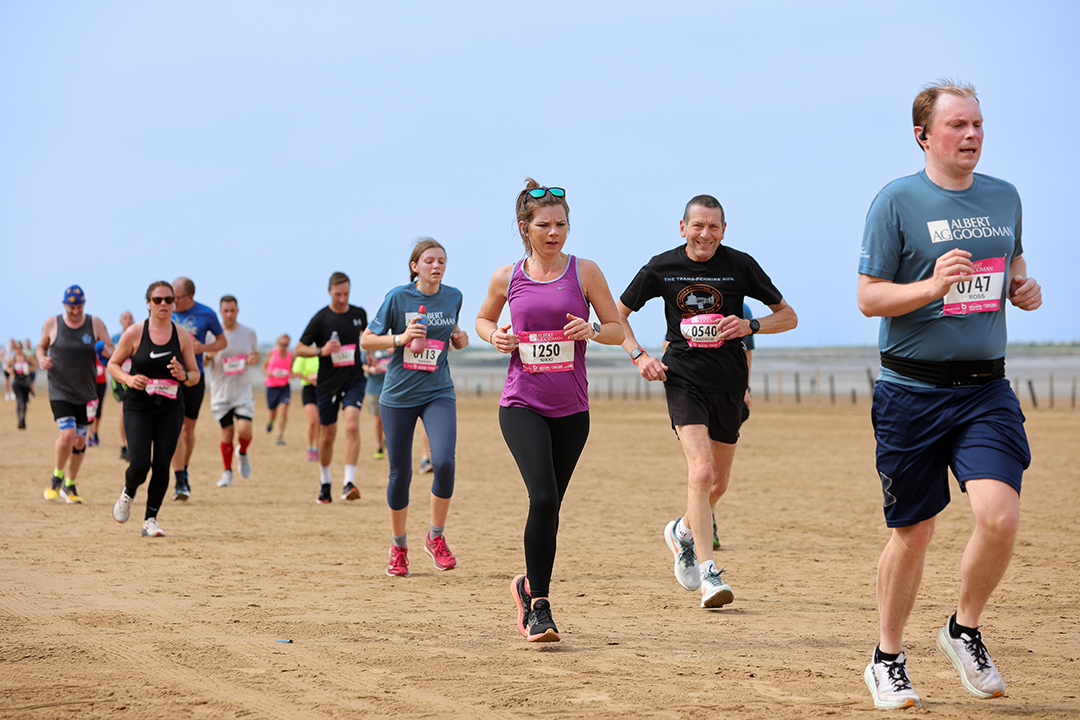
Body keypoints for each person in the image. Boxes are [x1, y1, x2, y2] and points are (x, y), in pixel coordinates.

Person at [857, 80, 1041, 710]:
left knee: (999, 516)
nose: (972, 136)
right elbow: (868, 297)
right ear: (924, 136)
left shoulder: (1005, 197)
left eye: (979, 125)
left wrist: (1023, 287)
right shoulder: (896, 201)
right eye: (959, 126)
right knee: (915, 529)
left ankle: (964, 628)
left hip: (986, 388)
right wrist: (931, 287)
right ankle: (887, 658)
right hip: (911, 392)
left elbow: (1011, 264)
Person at [617, 195, 797, 610]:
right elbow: (619, 314)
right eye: (697, 225)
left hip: (730, 384)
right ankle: (708, 573)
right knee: (700, 471)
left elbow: (788, 316)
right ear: (682, 228)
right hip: (682, 379)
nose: (705, 234)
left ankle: (682, 530)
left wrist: (751, 324)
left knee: (718, 483)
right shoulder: (661, 267)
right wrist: (639, 356)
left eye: (713, 226)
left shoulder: (740, 265)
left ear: (724, 230)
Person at [476, 180, 624, 642]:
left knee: (551, 505)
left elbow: (618, 330)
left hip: (571, 408)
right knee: (541, 497)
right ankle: (539, 605)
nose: (554, 232)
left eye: (561, 224)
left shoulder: (586, 272)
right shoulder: (508, 276)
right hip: (521, 403)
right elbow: (482, 319)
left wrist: (592, 329)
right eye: (544, 225)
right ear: (525, 228)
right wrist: (493, 337)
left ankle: (525, 584)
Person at [362, 238, 470, 577]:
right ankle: (399, 546)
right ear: (415, 266)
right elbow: (366, 339)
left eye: (441, 261)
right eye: (429, 261)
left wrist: (459, 338)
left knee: (444, 462)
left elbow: (450, 329)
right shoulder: (397, 297)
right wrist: (401, 338)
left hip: (438, 390)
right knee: (400, 474)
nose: (436, 266)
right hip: (398, 395)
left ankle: (435, 538)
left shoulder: (453, 296)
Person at [108, 281, 200, 537]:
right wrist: (128, 379)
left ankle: (150, 519)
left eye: (169, 300)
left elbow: (195, 375)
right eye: (158, 300)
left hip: (170, 407)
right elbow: (112, 365)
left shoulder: (181, 336)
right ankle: (128, 492)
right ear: (148, 303)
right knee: (140, 464)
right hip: (138, 406)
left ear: (174, 303)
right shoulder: (135, 333)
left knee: (162, 464)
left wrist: (183, 375)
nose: (163, 304)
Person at [36, 285, 114, 503]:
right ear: (64, 305)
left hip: (87, 392)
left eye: (79, 306)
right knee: (68, 434)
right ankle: (56, 476)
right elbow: (41, 347)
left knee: (80, 441)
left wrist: (106, 350)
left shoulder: (94, 323)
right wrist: (42, 358)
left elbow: (110, 347)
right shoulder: (53, 323)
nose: (76, 311)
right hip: (59, 390)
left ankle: (70, 484)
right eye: (72, 307)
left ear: (84, 304)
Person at [296, 272, 368, 503]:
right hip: (327, 384)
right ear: (329, 292)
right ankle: (325, 481)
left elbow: (367, 338)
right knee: (327, 436)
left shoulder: (359, 314)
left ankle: (349, 483)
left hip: (354, 379)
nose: (342, 298)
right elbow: (299, 348)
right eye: (338, 294)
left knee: (352, 424)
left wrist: (373, 355)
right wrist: (321, 350)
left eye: (346, 294)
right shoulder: (320, 319)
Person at [169, 277, 226, 500]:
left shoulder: (207, 314)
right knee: (174, 427)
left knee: (187, 429)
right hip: (170, 376)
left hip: (195, 376)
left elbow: (222, 342)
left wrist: (204, 347)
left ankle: (184, 469)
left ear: (190, 296)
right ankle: (180, 478)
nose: (171, 302)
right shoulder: (166, 313)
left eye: (176, 298)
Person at [204, 295, 260, 488]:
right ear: (221, 312)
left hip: (242, 392)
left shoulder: (249, 333)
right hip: (221, 393)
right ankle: (227, 472)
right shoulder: (212, 335)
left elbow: (255, 354)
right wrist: (208, 355)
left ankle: (242, 453)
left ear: (237, 311)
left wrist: (254, 359)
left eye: (232, 310)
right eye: (225, 311)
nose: (229, 314)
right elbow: (202, 361)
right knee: (227, 432)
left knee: (244, 431)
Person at [110, 311, 135, 460]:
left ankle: (132, 446)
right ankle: (124, 445)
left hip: (134, 377)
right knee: (124, 411)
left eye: (130, 318)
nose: (128, 320)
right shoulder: (115, 339)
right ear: (120, 321)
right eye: (125, 318)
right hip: (120, 379)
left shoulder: (138, 335)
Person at [261, 333, 293, 446]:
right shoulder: (271, 353)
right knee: (273, 412)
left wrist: (292, 374)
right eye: (281, 344)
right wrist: (267, 373)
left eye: (285, 344)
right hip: (272, 387)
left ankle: (280, 435)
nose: (283, 346)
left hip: (284, 387)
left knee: (284, 411)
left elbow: (292, 370)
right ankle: (271, 422)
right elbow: (263, 366)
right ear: (278, 343)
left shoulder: (290, 355)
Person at [291, 352, 321, 461]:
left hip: (322, 389)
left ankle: (317, 448)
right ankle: (310, 448)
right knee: (313, 420)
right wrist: (310, 380)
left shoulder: (324, 352)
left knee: (319, 423)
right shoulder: (305, 354)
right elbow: (296, 371)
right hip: (308, 389)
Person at [363, 348, 392, 459]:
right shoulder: (369, 348)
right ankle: (379, 446)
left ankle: (388, 441)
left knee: (389, 419)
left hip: (390, 389)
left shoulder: (391, 346)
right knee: (379, 419)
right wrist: (371, 369)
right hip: (374, 390)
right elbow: (362, 365)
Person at [7, 340, 37, 429]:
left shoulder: (27, 357)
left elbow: (35, 367)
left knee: (24, 401)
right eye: (17, 348)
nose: (19, 349)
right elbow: (8, 367)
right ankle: (19, 419)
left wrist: (28, 369)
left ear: (22, 348)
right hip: (17, 381)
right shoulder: (12, 358)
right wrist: (11, 371)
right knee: (19, 400)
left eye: (20, 347)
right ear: (15, 349)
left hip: (25, 380)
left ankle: (23, 419)